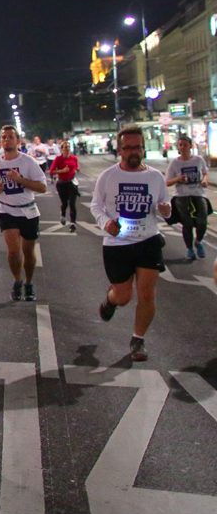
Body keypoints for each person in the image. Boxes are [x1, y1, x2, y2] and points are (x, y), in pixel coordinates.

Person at [92, 127, 172, 362]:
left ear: (142, 148)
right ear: (120, 150)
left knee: (147, 294)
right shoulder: (108, 176)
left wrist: (165, 210)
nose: (133, 152)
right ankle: (111, 299)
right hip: (117, 244)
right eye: (128, 148)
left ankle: (138, 340)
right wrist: (106, 223)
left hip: (148, 241)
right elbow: (96, 206)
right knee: (124, 296)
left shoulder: (155, 177)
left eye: (137, 147)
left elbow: (163, 205)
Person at [0, 125, 47, 301]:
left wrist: (20, 180)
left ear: (18, 141)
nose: (6, 140)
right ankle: (17, 281)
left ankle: (29, 282)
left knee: (28, 251)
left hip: (28, 210)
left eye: (10, 137)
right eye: (3, 137)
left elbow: (42, 187)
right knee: (13, 251)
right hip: (6, 210)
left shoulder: (28, 162)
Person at [165, 134, 209, 260]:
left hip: (198, 193)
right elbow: (167, 182)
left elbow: (205, 173)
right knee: (187, 224)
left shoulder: (198, 160)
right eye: (180, 145)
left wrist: (205, 180)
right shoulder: (174, 163)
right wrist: (178, 178)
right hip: (181, 196)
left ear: (190, 146)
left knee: (202, 221)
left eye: (185, 145)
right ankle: (189, 249)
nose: (182, 147)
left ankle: (198, 241)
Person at [49, 141, 80, 232]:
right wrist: (62, 171)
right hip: (62, 184)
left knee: (72, 204)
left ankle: (73, 223)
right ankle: (63, 214)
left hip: (72, 183)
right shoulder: (58, 159)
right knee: (65, 203)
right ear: (62, 149)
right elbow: (52, 171)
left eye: (69, 147)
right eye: (65, 147)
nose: (67, 149)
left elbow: (76, 167)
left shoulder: (74, 158)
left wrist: (77, 169)